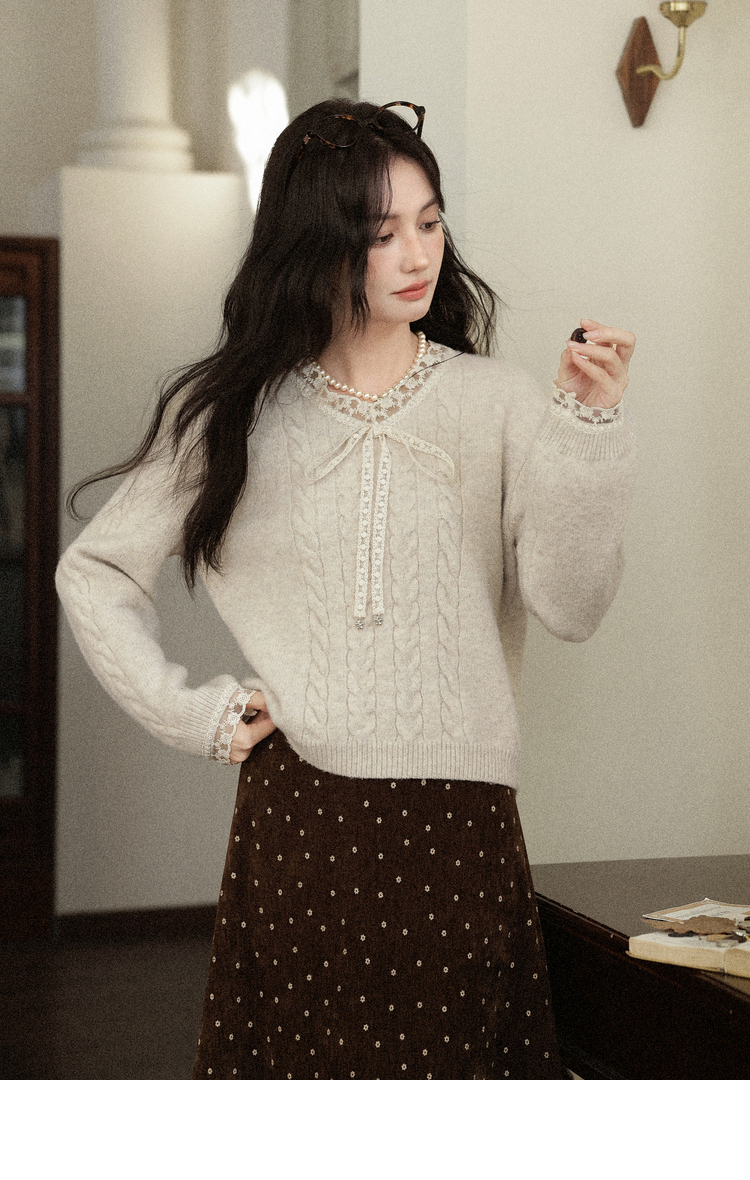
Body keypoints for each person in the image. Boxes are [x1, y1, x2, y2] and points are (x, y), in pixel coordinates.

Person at [56, 98, 636, 1080]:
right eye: (381, 232)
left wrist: (586, 432)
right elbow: (95, 570)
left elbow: (572, 607)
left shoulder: (497, 402)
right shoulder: (236, 414)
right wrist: (197, 713)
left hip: (460, 829)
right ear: (318, 243)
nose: (418, 254)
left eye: (430, 221)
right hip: (303, 822)